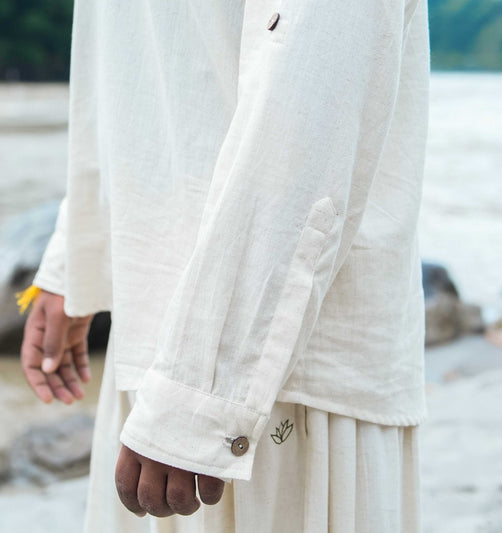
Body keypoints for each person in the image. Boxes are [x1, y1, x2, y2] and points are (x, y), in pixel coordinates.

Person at [18, 0, 430, 530]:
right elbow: (125, 54)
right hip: (155, 331)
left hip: (278, 355)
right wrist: (75, 258)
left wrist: (204, 393)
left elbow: (316, 84)